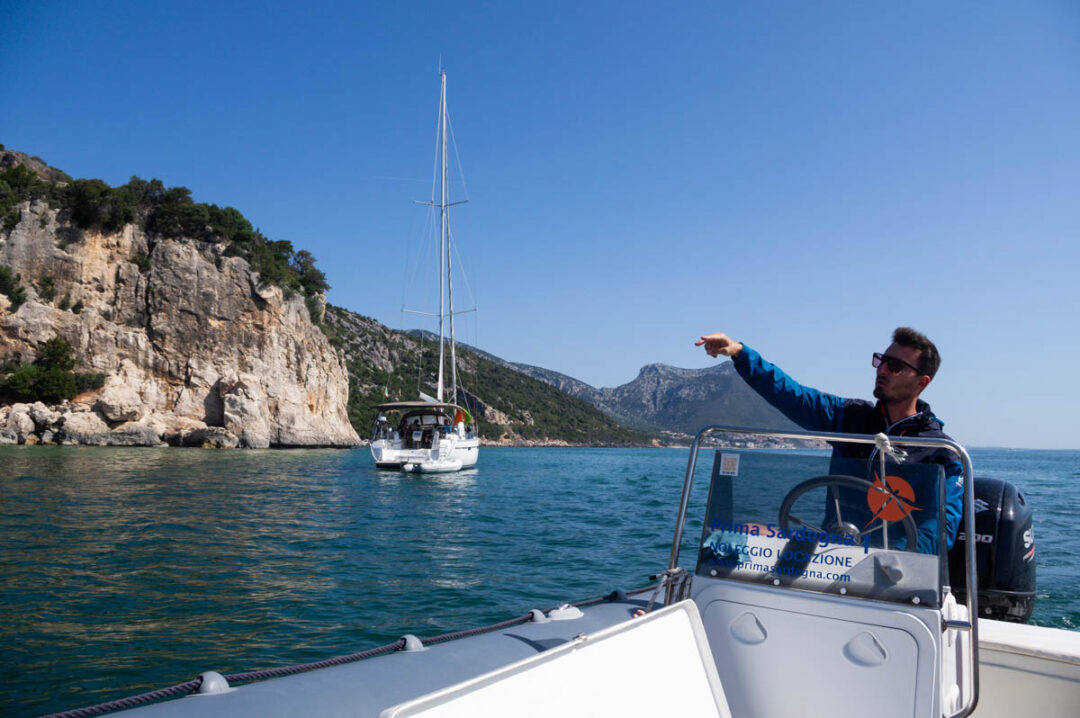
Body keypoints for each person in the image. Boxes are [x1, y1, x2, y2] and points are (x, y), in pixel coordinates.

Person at [695, 327, 963, 551]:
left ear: (922, 382)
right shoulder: (849, 417)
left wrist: (885, 556)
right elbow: (792, 395)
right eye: (881, 360)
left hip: (892, 572)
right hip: (831, 556)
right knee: (734, 539)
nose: (881, 370)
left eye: (894, 367)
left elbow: (940, 529)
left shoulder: (940, 452)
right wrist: (741, 354)